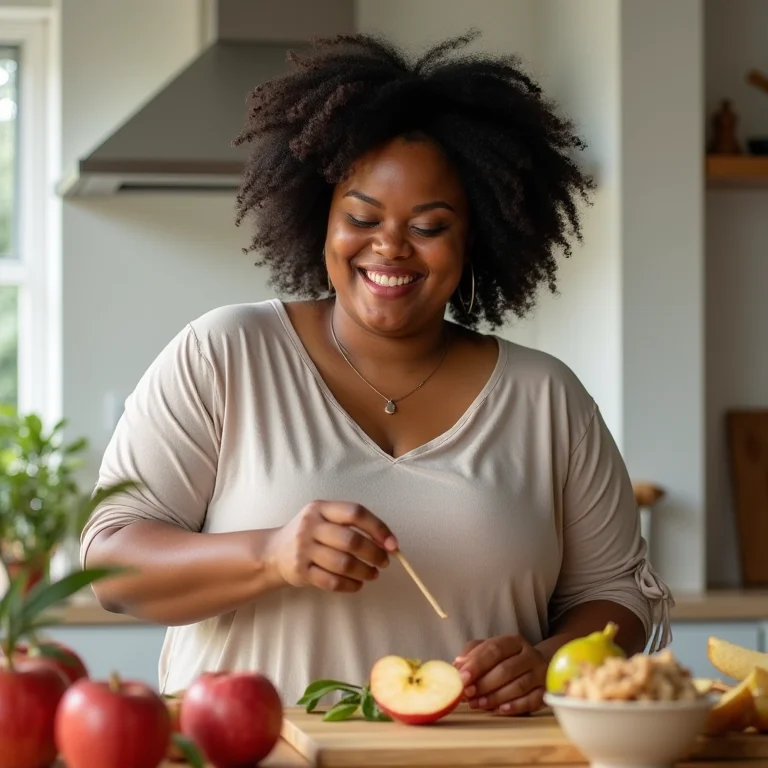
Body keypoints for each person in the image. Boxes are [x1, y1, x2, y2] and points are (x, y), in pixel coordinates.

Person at [80, 29, 674, 715]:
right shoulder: (225, 354)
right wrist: (271, 554)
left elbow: (620, 597)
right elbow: (109, 568)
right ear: (320, 219)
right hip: (255, 757)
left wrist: (549, 662)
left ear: (475, 237)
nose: (389, 245)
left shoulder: (547, 398)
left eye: (429, 226)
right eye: (362, 216)